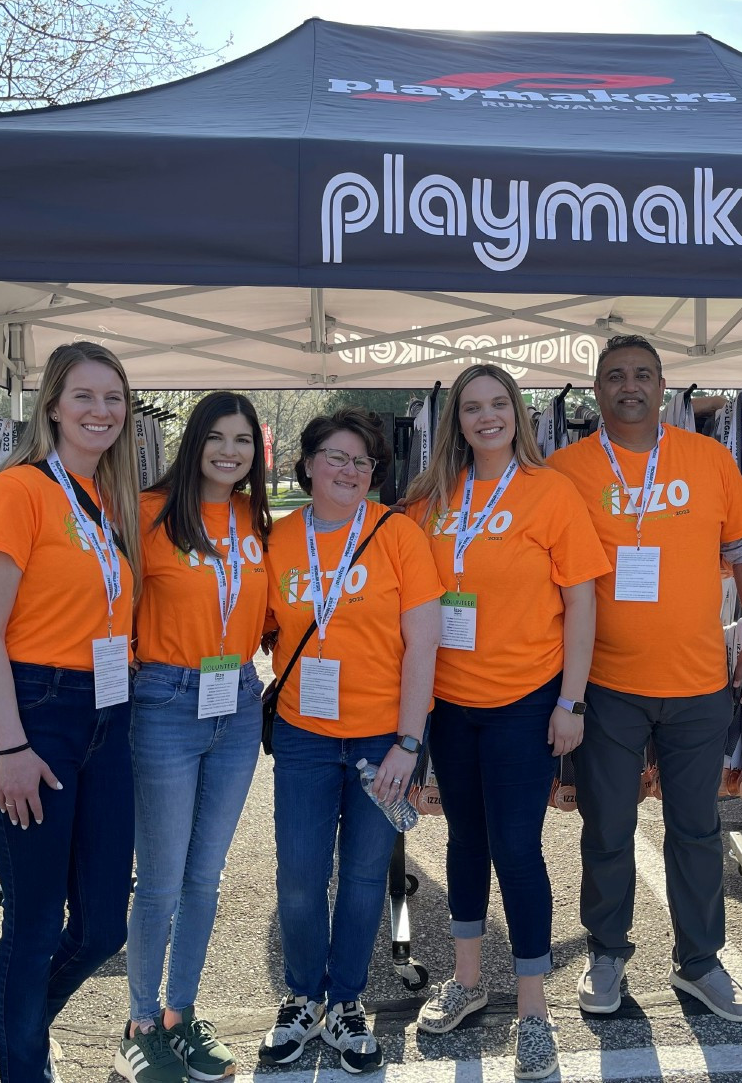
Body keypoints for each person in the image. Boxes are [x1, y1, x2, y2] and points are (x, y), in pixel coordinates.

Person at [547, 334, 742, 1024]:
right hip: (607, 683)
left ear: (663, 385)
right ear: (596, 390)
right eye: (615, 376)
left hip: (700, 679)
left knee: (697, 828)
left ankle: (700, 961)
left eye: (642, 374)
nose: (629, 385)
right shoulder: (565, 469)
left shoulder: (707, 458)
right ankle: (607, 950)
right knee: (607, 826)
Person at [402, 365, 609, 1080]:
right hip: (450, 705)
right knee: (464, 840)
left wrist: (571, 700)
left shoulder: (550, 491)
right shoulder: (430, 499)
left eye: (497, 405)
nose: (485, 417)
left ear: (516, 414)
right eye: (471, 407)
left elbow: (581, 601)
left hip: (525, 700)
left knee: (516, 847)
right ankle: (466, 982)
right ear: (454, 420)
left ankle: (533, 1009)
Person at [0, 341, 142, 1083]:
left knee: (103, 924)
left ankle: (19, 1029)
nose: (101, 411)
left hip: (108, 717)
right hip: (34, 716)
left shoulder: (105, 498)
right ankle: (24, 1065)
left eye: (113, 398)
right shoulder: (18, 490)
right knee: (35, 920)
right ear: (53, 407)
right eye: (85, 396)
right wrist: (9, 747)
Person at [258, 408, 443, 1076]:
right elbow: (252, 625)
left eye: (363, 461)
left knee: (366, 876)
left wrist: (409, 739)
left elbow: (424, 643)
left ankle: (346, 1003)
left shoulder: (397, 535)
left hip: (381, 740)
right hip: (305, 735)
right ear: (306, 464)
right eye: (336, 457)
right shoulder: (276, 541)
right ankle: (303, 997)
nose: (350, 470)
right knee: (301, 877)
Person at [116, 393, 272, 1083]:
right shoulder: (149, 512)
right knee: (160, 882)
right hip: (165, 702)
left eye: (242, 440)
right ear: (194, 444)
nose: (230, 452)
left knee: (205, 877)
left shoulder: (251, 519)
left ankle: (181, 1013)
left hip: (237, 701)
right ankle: (139, 1022)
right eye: (217, 437)